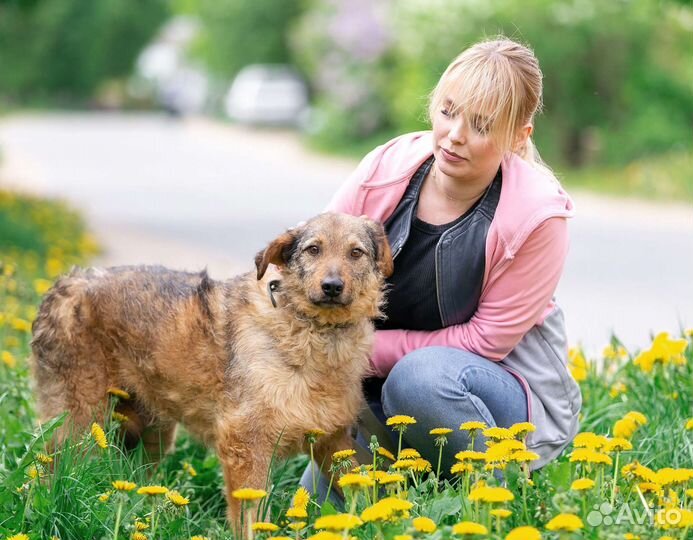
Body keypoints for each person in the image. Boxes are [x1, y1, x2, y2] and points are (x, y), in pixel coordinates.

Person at [301, 36, 582, 498]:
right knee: (309, 509)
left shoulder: (537, 216)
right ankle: (424, 484)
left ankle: (496, 502)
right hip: (378, 391)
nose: (455, 135)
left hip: (499, 397)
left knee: (421, 377)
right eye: (448, 112)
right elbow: (311, 252)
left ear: (518, 136)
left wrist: (360, 349)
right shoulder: (389, 166)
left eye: (481, 125)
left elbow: (485, 342)